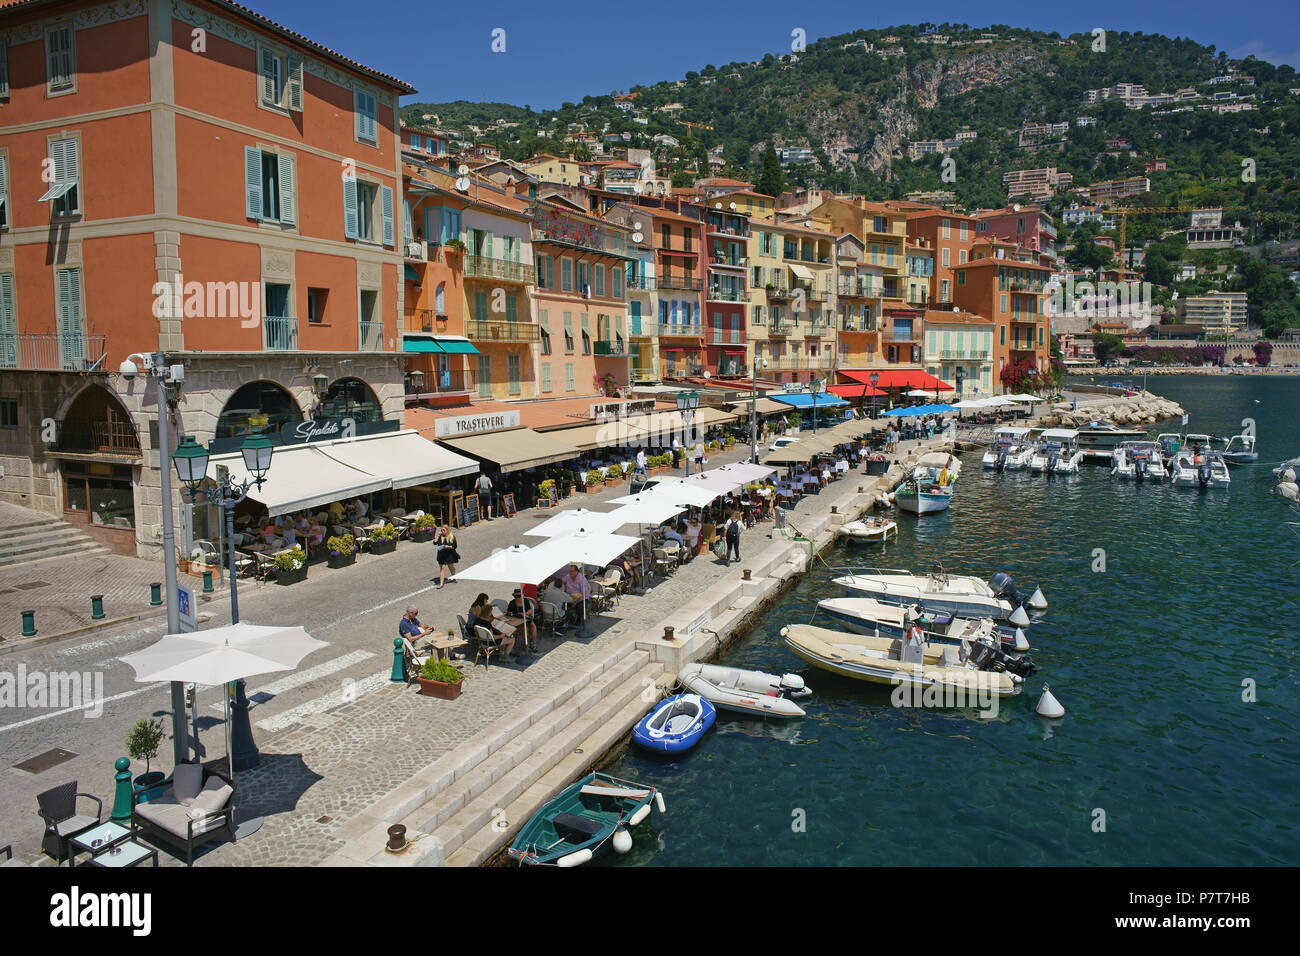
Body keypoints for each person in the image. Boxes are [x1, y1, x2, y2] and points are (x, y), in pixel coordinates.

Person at [468, 593, 516, 660]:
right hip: (490, 642)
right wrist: (502, 635)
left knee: (504, 635)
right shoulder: (486, 623)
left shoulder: (477, 621)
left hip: (482, 641)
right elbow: (493, 637)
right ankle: (505, 656)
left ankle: (503, 652)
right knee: (512, 639)